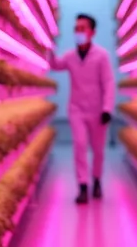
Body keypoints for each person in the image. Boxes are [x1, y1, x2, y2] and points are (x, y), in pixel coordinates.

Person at [48, 13, 116, 204]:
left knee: (98, 150)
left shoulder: (102, 56)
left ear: (92, 32)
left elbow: (108, 83)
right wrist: (50, 49)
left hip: (98, 111)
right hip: (77, 109)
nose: (78, 32)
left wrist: (107, 108)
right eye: (76, 28)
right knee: (79, 145)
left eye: (82, 28)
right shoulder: (70, 56)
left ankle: (96, 180)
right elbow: (56, 65)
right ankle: (83, 186)